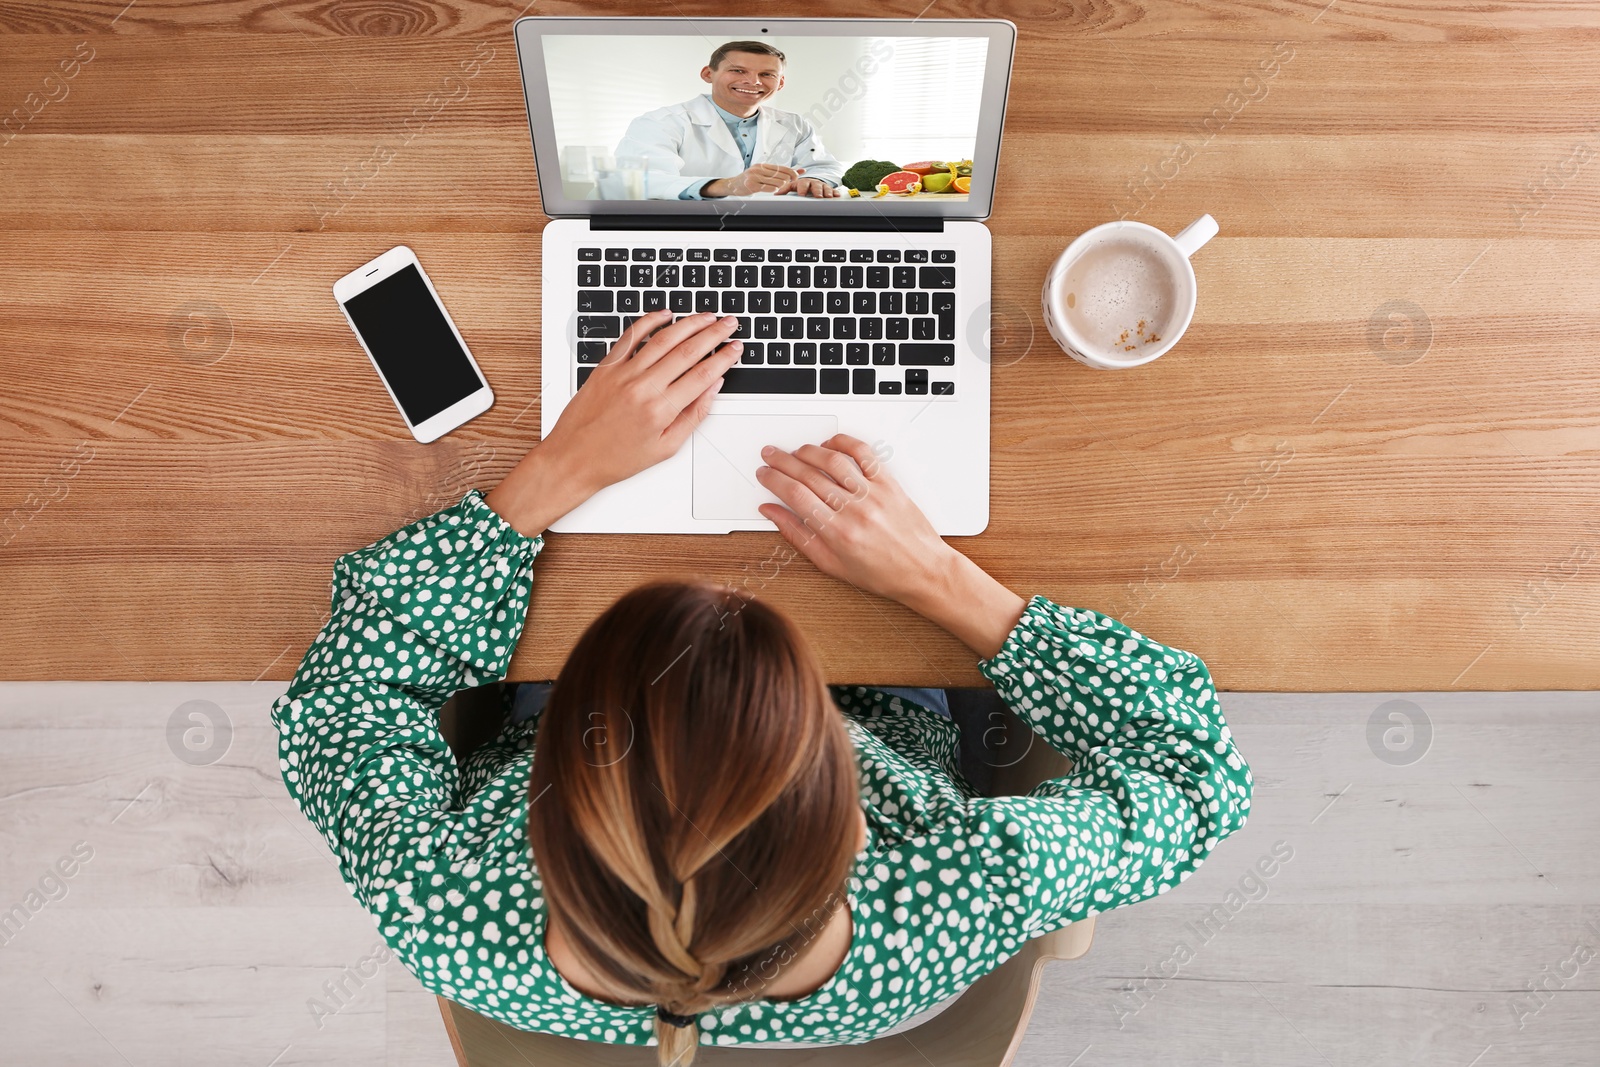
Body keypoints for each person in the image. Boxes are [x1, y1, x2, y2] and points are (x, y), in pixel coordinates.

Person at [270, 311, 1253, 1064]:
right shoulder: (966, 886)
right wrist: (934, 576)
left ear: (547, 810)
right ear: (859, 820)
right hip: (902, 696)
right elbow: (1197, 779)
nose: (735, 588)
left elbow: (352, 685)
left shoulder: (436, 902)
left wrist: (559, 468)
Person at [610, 40, 845, 200]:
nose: (753, 82)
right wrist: (729, 185)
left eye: (766, 74)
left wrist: (814, 179)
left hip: (766, 230)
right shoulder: (661, 122)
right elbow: (641, 181)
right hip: (681, 230)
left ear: (780, 83)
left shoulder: (794, 124)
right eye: (738, 70)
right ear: (707, 74)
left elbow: (824, 166)